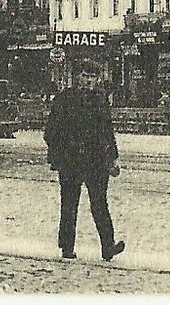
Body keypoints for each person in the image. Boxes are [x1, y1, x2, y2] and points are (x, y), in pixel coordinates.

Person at [44, 63, 126, 261]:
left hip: (96, 161)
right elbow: (50, 132)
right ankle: (67, 247)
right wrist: (59, 155)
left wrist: (113, 157)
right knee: (69, 204)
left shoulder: (100, 100)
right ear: (77, 76)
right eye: (85, 75)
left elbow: (107, 131)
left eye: (93, 77)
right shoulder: (64, 99)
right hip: (71, 161)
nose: (89, 80)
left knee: (99, 204)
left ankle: (108, 246)